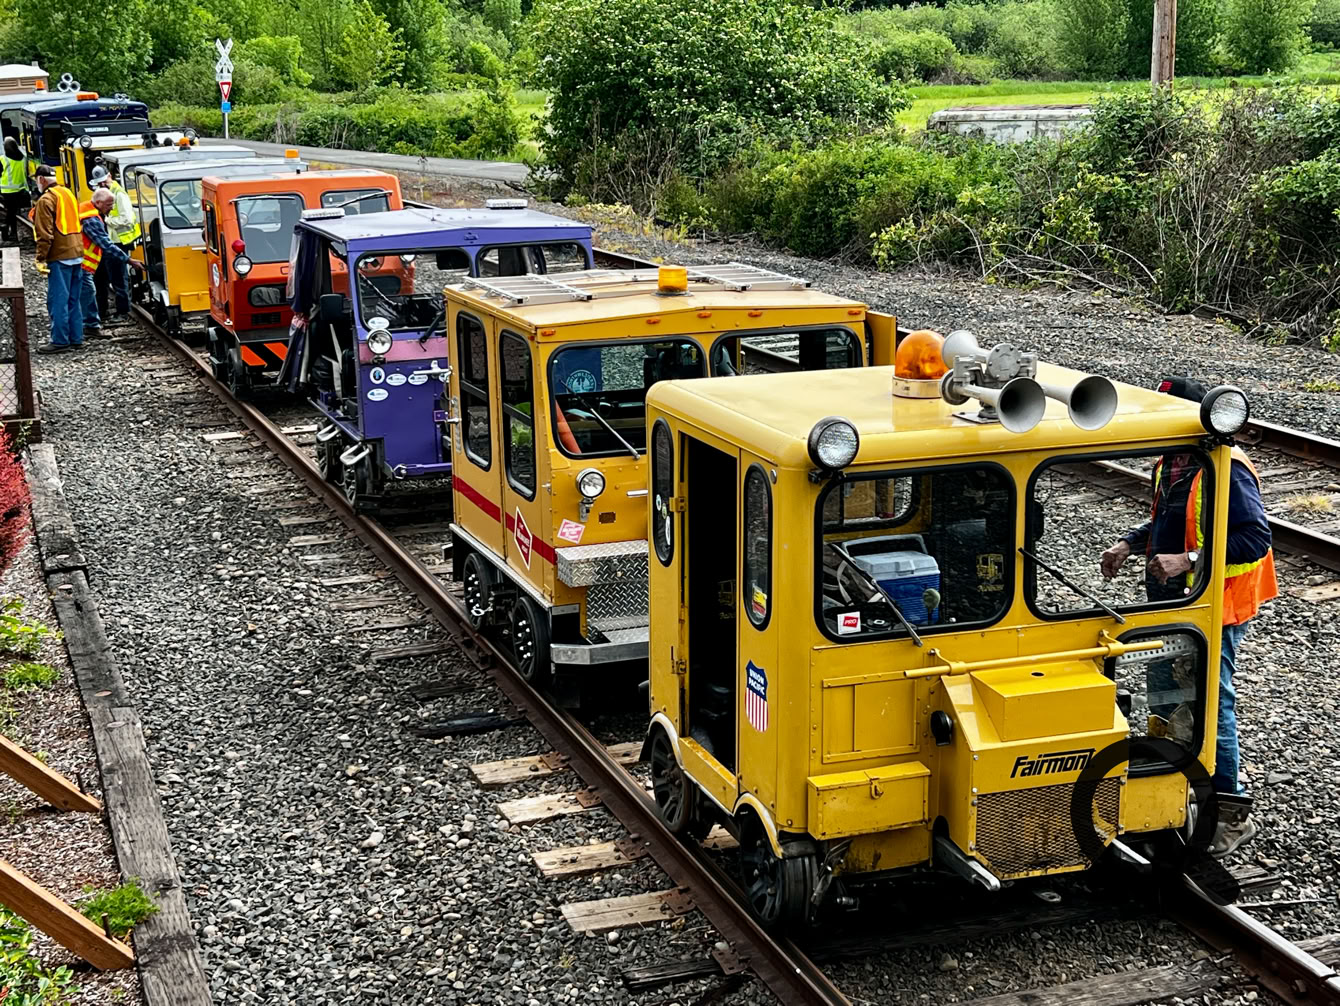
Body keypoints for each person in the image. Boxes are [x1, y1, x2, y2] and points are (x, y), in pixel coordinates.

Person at [1100, 376, 1278, 858]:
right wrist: (1130, 544)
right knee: (1165, 695)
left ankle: (1230, 814)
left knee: (1210, 704)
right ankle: (1171, 792)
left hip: (1215, 608)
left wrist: (1189, 560)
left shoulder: (1227, 468)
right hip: (1174, 605)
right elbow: (1168, 519)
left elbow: (1255, 539)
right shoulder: (1172, 459)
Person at [31, 165, 84, 354]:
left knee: (58, 300)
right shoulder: (67, 193)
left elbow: (44, 234)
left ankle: (60, 340)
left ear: (41, 179)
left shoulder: (46, 200)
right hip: (77, 253)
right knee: (73, 299)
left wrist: (40, 258)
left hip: (60, 256)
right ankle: (76, 338)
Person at [77, 189, 129, 339]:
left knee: (85, 292)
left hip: (77, 260)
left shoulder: (86, 208)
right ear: (98, 203)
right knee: (88, 292)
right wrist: (128, 259)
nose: (111, 208)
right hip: (82, 263)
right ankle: (90, 326)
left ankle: (86, 322)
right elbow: (105, 243)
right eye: (108, 204)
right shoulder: (91, 219)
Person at [89, 164, 134, 323]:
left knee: (119, 279)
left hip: (118, 242)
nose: (102, 184)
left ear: (109, 176)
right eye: (99, 183)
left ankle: (123, 312)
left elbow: (127, 219)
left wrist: (107, 220)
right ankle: (103, 311)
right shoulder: (100, 193)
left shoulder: (119, 195)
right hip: (106, 243)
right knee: (102, 278)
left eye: (103, 181)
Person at [0, 137, 27, 245]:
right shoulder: (23, 157)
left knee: (10, 211)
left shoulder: (3, 159)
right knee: (13, 211)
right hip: (20, 189)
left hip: (7, 190)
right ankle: (12, 232)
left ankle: (8, 229)